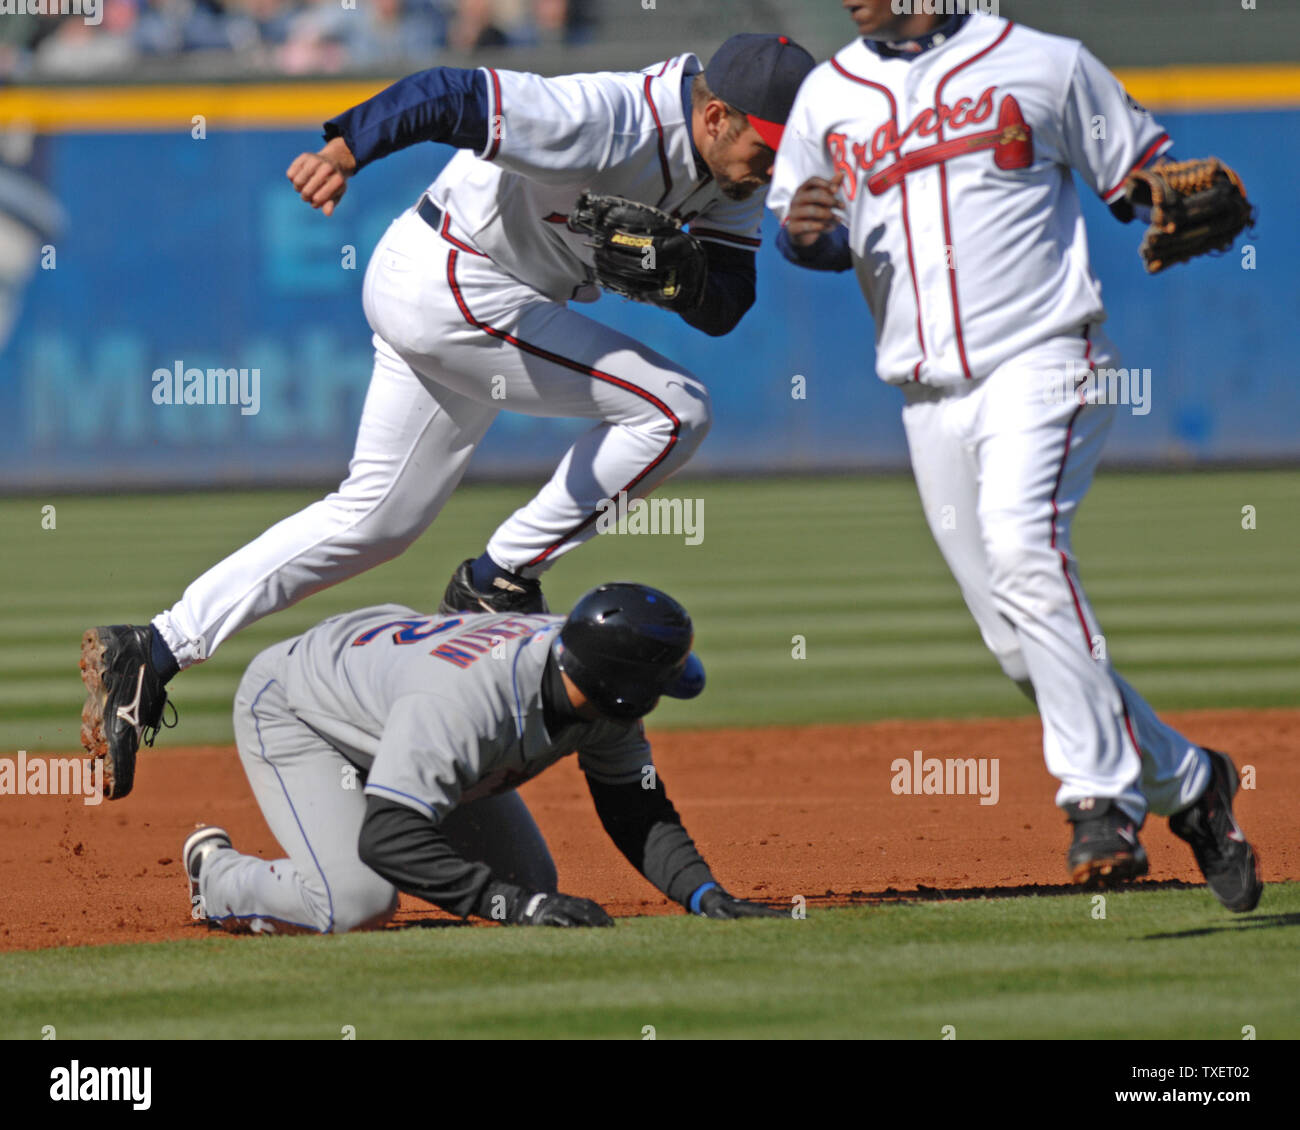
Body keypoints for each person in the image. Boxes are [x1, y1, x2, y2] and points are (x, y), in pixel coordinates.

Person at [80, 33, 816, 800]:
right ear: (718, 115)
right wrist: (346, 147)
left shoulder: (735, 170)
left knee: (378, 519)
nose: (773, 165)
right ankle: (500, 577)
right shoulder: (608, 117)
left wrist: (688, 281)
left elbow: (729, 302)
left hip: (473, 292)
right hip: (453, 278)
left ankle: (156, 646)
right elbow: (451, 93)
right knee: (675, 410)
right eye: (767, 146)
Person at [767, 0, 1261, 911]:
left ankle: (1099, 799)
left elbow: (1145, 180)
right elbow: (816, 238)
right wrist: (806, 233)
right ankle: (1191, 783)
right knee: (1012, 637)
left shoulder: (1044, 62)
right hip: (924, 392)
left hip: (1044, 355)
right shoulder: (828, 94)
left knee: (1026, 550)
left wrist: (1170, 198)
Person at [182, 583, 785, 932]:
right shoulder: (470, 704)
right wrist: (514, 908)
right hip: (302, 707)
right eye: (657, 684)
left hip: (395, 700)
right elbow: (388, 838)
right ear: (620, 687)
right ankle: (218, 877)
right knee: (356, 900)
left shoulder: (595, 682)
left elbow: (636, 807)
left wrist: (703, 893)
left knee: (531, 882)